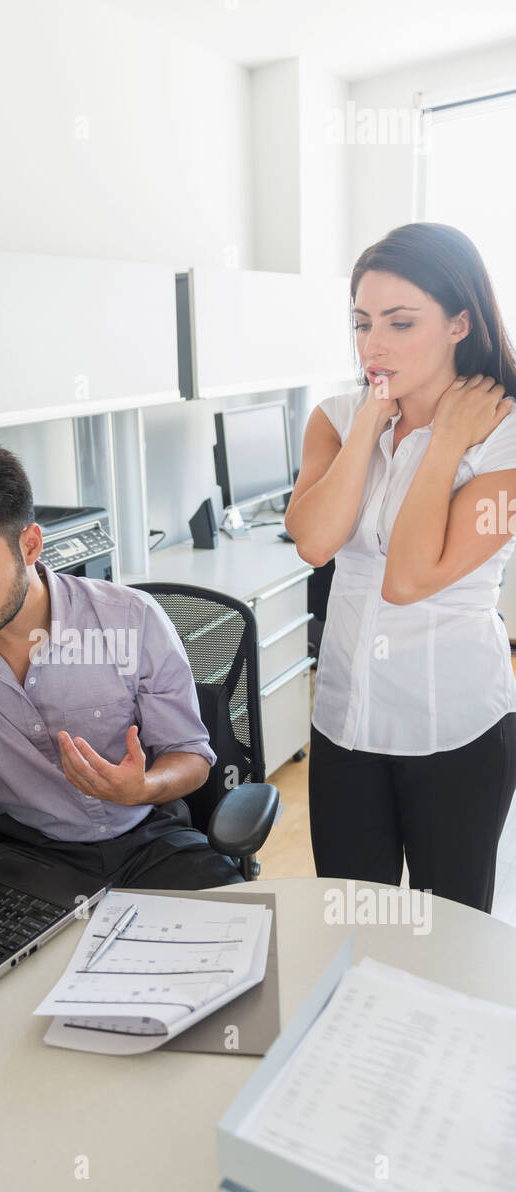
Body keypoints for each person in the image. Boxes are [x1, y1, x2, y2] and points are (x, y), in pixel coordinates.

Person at [0, 438, 243, 891]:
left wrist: (143, 787)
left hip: (149, 841)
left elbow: (192, 756)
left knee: (237, 937)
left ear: (30, 545)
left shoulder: (131, 618)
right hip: (29, 859)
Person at [286, 221, 516, 913]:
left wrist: (443, 439)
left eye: (399, 322)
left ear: (458, 323)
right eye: (361, 323)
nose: (373, 345)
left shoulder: (504, 436)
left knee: (448, 932)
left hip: (452, 730)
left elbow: (409, 577)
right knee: (354, 923)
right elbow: (313, 542)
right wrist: (370, 422)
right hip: (342, 724)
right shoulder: (335, 417)